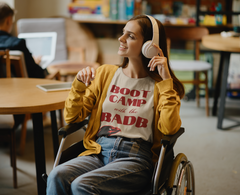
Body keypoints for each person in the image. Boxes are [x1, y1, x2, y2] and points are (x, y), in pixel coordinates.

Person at [47, 14, 185, 195]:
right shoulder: (105, 74)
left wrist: (166, 79)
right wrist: (79, 84)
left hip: (136, 158)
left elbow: (169, 129)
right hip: (98, 150)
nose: (121, 39)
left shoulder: (162, 86)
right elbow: (72, 117)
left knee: (83, 185)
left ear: (149, 46)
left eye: (131, 36)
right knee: (57, 175)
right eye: (123, 33)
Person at [0, 2, 46, 78]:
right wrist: (36, 63)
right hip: (23, 86)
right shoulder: (18, 43)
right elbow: (36, 73)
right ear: (8, 20)